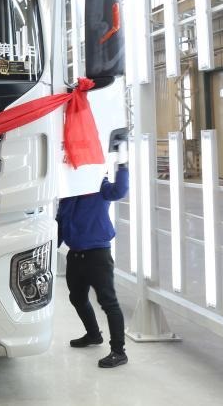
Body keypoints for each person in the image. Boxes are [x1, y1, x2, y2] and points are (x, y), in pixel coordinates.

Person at [57, 149, 130, 369]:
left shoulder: (99, 185)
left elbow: (119, 191)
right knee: (77, 298)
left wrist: (123, 165)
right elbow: (61, 222)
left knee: (108, 302)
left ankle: (119, 351)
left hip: (97, 254)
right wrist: (50, 249)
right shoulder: (68, 193)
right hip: (75, 254)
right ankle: (93, 335)